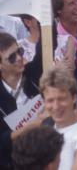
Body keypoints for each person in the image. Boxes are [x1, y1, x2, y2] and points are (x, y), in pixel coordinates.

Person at [0, 33, 48, 170]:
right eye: (12, 57)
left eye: (19, 51)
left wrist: (44, 14)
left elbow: (49, 40)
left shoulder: (34, 73)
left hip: (48, 149)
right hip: (16, 162)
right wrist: (29, 127)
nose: (20, 58)